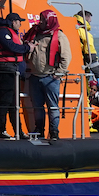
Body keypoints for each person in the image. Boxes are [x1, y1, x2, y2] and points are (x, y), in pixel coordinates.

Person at [24, 9, 71, 140]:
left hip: (50, 77)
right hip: (35, 76)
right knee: (37, 106)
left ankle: (54, 131)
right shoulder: (35, 33)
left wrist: (59, 73)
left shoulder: (60, 36)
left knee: (53, 107)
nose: (41, 22)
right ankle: (39, 129)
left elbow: (66, 57)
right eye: (41, 19)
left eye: (44, 20)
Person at [0, 13, 28, 139]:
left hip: (12, 70)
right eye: (18, 21)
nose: (20, 24)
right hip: (5, 70)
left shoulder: (9, 32)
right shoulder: (2, 32)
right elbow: (11, 46)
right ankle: (2, 130)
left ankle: (18, 131)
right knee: (5, 101)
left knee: (14, 103)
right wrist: (27, 47)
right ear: (12, 22)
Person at [75, 10, 99, 82]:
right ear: (86, 20)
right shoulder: (85, 34)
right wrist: (98, 75)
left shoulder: (70, 29)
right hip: (80, 68)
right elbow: (91, 56)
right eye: (89, 21)